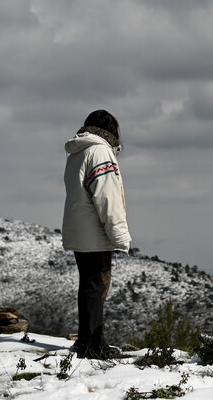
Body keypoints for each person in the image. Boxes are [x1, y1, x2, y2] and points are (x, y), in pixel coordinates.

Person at [62, 109, 131, 359]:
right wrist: (120, 236)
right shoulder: (100, 151)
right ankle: (92, 346)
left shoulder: (78, 151)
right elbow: (107, 199)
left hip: (79, 228)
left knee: (88, 285)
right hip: (95, 230)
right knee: (96, 285)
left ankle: (89, 340)